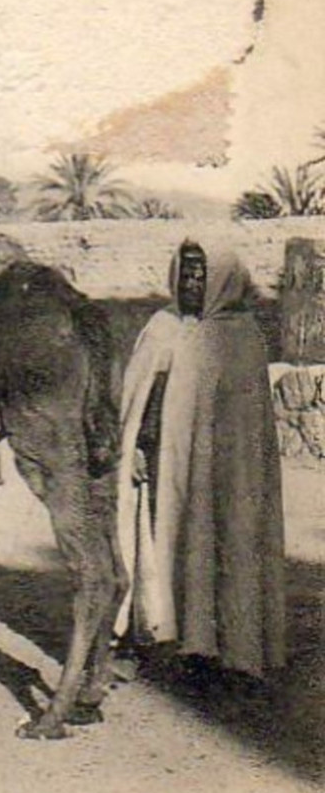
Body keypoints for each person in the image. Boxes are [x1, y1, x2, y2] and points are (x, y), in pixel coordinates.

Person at [115, 240, 286, 682]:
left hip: (226, 476)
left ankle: (226, 650)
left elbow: (250, 430)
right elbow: (137, 399)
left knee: (225, 546)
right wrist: (131, 446)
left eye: (201, 276)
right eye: (187, 274)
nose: (192, 285)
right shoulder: (162, 326)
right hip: (165, 465)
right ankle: (157, 638)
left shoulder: (243, 337)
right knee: (161, 546)